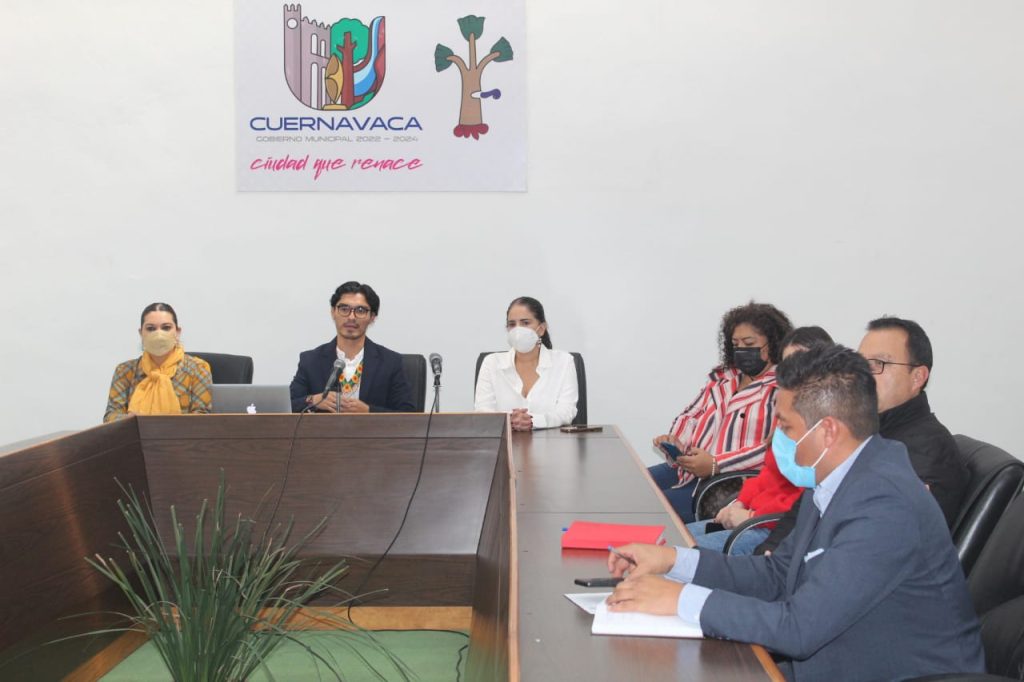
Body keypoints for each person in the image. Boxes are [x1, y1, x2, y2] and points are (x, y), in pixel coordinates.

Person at [607, 345, 985, 681]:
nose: (776, 439)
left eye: (785, 426)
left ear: (828, 432)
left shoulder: (884, 505)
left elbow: (799, 629)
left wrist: (679, 600)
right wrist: (673, 561)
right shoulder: (836, 478)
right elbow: (777, 575)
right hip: (832, 661)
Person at [756, 316, 967, 554]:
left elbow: (880, 546)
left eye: (878, 364)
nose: (864, 373)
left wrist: (776, 563)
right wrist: (769, 554)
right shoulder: (865, 429)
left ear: (917, 377)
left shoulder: (929, 450)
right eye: (861, 362)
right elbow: (809, 507)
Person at [686, 326, 833, 554]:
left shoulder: (827, 426)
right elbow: (768, 473)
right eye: (787, 363)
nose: (793, 371)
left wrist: (752, 516)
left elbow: (807, 498)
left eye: (802, 362)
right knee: (675, 536)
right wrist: (739, 503)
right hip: (752, 516)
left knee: (678, 554)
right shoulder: (787, 412)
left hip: (776, 530)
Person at [649, 302, 793, 523]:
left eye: (749, 343)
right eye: (735, 344)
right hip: (687, 469)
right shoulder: (722, 379)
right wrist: (676, 440)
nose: (741, 350)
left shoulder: (783, 387)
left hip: (727, 482)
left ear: (773, 344)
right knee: (634, 486)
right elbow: (690, 415)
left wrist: (716, 463)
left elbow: (773, 447)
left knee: (651, 510)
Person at [289, 281, 416, 413]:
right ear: (333, 312)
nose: (351, 317)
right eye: (344, 309)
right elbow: (288, 405)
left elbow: (408, 414)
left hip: (371, 427)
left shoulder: (390, 362)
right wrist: (314, 400)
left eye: (360, 311)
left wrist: (368, 411)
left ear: (372, 317)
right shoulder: (310, 360)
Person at [474, 296, 579, 430]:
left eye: (525, 323)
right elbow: (483, 412)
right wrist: (510, 421)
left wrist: (533, 421)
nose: (518, 330)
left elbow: (567, 411)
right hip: (504, 441)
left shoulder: (564, 362)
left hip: (550, 441)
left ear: (541, 329)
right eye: (512, 324)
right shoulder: (491, 363)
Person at [104, 302, 213, 422]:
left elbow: (202, 418)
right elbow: (110, 416)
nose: (159, 334)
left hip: (182, 434)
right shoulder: (125, 371)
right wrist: (130, 421)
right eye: (151, 328)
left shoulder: (197, 369)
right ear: (141, 333)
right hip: (134, 433)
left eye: (166, 328)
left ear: (177, 332)